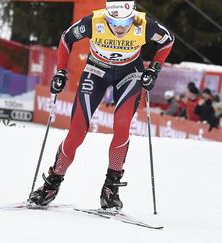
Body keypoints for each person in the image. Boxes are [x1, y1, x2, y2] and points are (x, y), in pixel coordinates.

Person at [28, 0, 174, 211]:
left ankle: (110, 189)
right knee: (77, 131)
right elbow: (66, 39)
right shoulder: (93, 21)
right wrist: (61, 71)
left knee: (122, 126)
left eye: (125, 21)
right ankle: (52, 183)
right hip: (96, 71)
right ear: (107, 16)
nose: (120, 28)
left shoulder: (144, 24)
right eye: (114, 21)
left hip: (130, 73)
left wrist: (154, 70)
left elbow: (168, 41)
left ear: (132, 14)